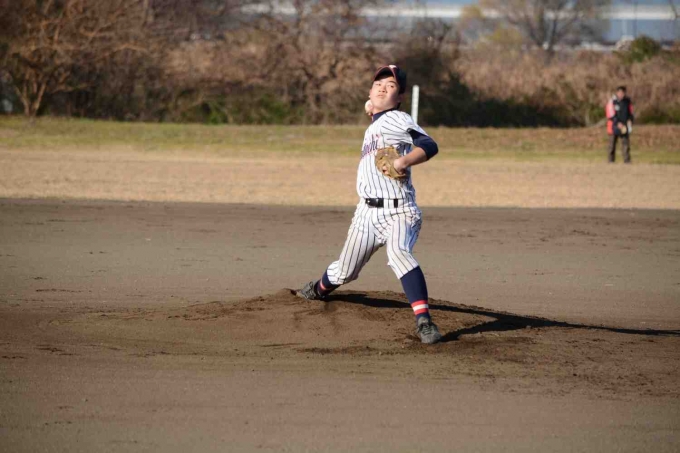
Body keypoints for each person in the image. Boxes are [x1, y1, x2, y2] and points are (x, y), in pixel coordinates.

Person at [295, 64, 443, 344]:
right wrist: (373, 108)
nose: (383, 88)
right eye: (378, 84)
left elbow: (429, 144)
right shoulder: (377, 122)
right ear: (370, 92)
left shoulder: (397, 118)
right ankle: (318, 289)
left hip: (399, 211)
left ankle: (424, 322)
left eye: (391, 86)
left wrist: (403, 161)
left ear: (400, 98)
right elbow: (376, 112)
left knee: (399, 253)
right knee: (345, 271)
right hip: (366, 214)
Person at [605, 86, 634, 163]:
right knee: (612, 144)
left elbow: (631, 113)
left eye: (622, 93)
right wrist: (617, 123)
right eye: (620, 92)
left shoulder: (627, 102)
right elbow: (610, 114)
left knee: (625, 144)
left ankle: (627, 160)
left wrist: (630, 120)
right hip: (613, 126)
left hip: (624, 126)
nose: (621, 94)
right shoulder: (612, 101)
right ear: (617, 92)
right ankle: (611, 160)